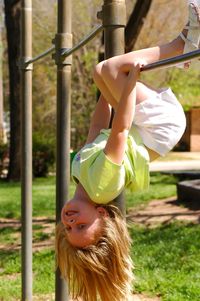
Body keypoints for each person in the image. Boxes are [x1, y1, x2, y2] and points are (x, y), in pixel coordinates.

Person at [56, 1, 200, 301]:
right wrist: (128, 84)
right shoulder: (101, 186)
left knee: (100, 70)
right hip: (160, 127)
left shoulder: (79, 176)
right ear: (101, 215)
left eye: (68, 228)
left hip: (145, 126)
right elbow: (119, 133)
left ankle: (183, 48)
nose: (70, 221)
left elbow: (97, 131)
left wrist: (105, 95)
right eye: (81, 225)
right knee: (111, 67)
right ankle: (182, 44)